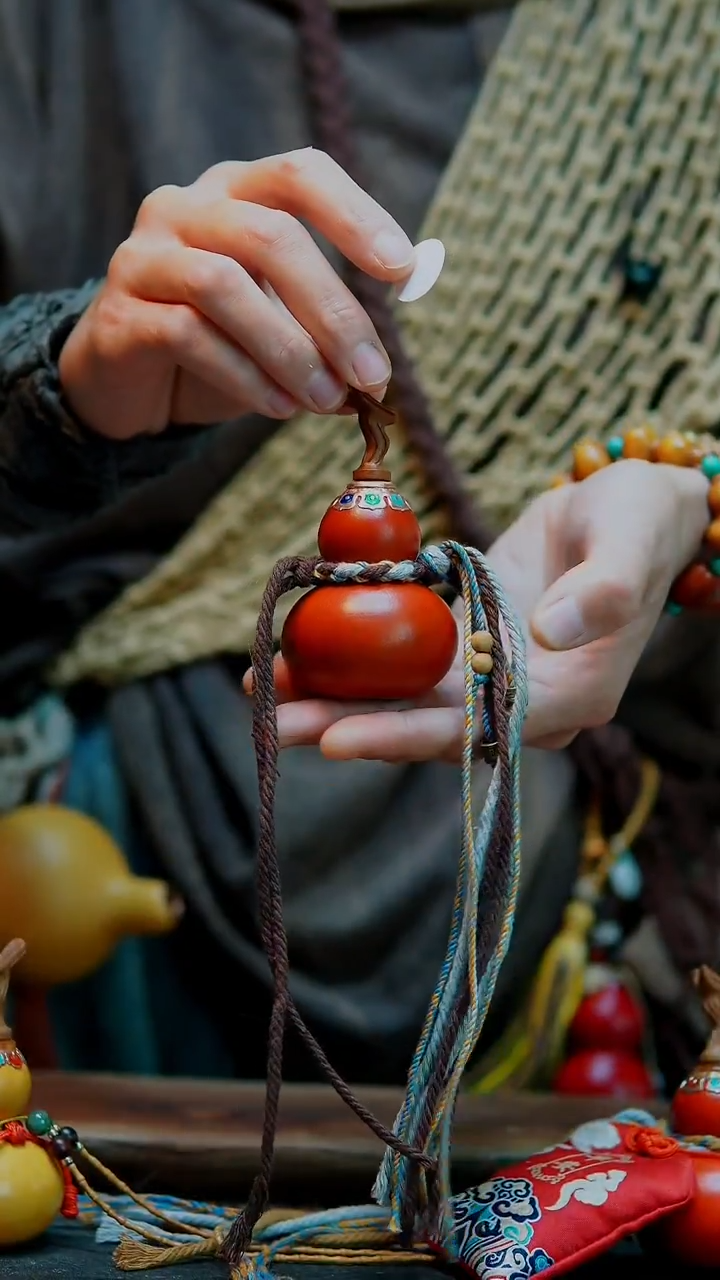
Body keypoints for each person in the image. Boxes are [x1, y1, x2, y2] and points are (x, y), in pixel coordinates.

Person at [0, 0, 715, 1085]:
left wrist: (692, 508)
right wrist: (66, 388)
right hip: (108, 949)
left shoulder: (672, 48)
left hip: (608, 957)